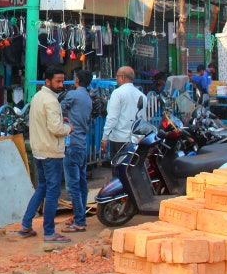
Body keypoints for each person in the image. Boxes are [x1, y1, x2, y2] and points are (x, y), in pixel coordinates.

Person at [17, 67, 72, 243]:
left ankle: (26, 225)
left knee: (42, 188)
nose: (61, 84)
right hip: (51, 152)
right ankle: (49, 232)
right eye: (58, 81)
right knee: (52, 191)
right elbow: (56, 129)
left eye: (62, 81)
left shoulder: (38, 97)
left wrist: (59, 121)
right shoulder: (51, 101)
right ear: (47, 81)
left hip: (39, 150)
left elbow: (43, 121)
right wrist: (68, 128)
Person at [60, 68, 93, 233]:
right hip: (81, 144)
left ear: (77, 80)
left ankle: (79, 221)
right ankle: (79, 216)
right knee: (81, 183)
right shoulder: (87, 97)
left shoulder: (73, 94)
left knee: (73, 185)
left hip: (72, 143)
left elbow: (57, 109)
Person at [100, 66, 146, 159]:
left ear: (123, 77)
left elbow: (112, 118)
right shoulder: (142, 95)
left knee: (118, 170)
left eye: (117, 76)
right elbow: (142, 120)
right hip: (135, 140)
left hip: (119, 139)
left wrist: (105, 138)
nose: (116, 79)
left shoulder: (118, 93)